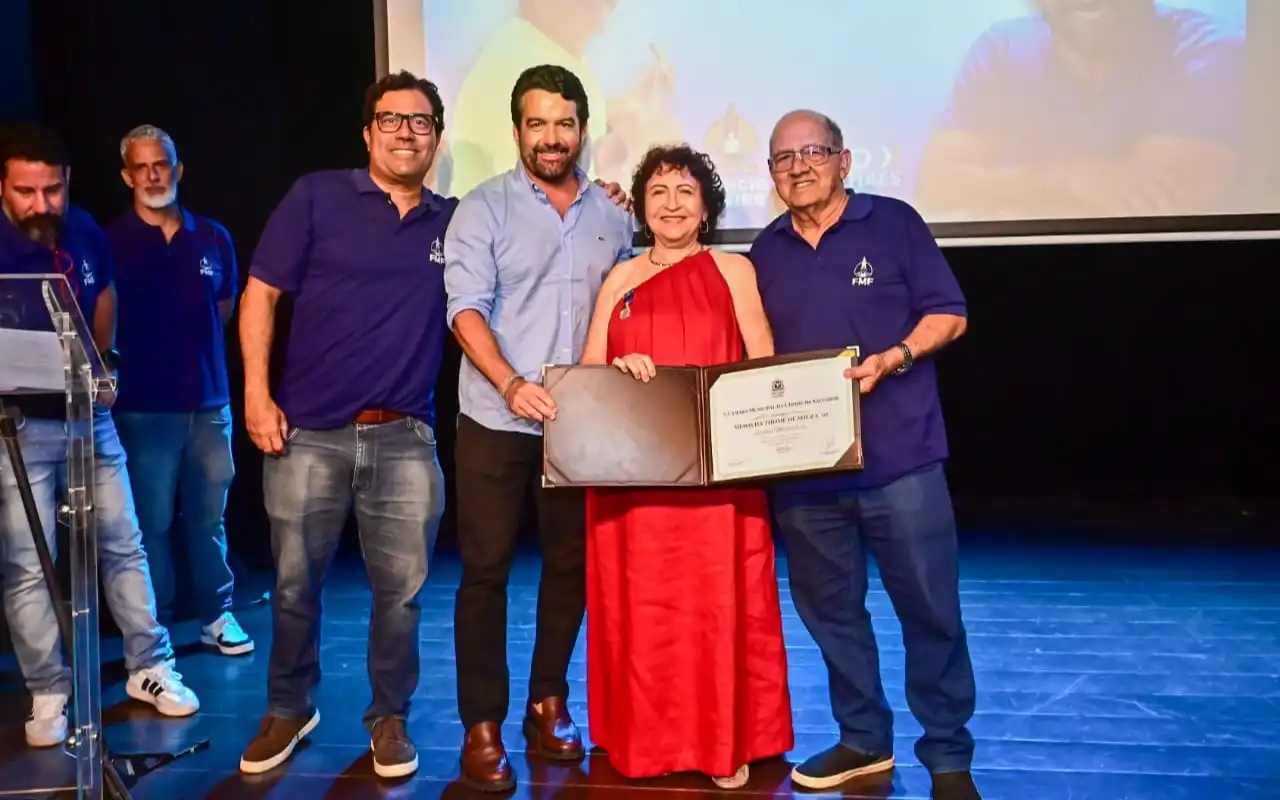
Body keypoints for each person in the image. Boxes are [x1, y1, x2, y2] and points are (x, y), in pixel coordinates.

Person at [750, 110, 980, 800]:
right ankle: (863, 739)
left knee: (931, 610)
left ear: (844, 161)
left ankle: (947, 757)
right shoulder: (763, 253)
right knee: (831, 615)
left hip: (901, 461)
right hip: (805, 474)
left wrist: (898, 355)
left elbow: (951, 312)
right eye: (783, 157)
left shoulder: (895, 223)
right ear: (770, 174)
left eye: (813, 152)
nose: (798, 166)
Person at [235, 71, 453, 780]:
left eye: (420, 122)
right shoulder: (317, 196)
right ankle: (290, 708)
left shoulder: (453, 221)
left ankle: (388, 718)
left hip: (405, 436)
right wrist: (256, 394)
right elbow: (261, 293)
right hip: (309, 434)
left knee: (403, 596)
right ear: (368, 133)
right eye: (391, 119)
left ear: (437, 138)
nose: (405, 132)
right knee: (296, 586)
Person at [443, 63, 634, 793]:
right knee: (485, 573)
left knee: (570, 568)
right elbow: (465, 309)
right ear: (517, 130)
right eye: (536, 123)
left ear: (582, 129)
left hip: (580, 422)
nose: (551, 137)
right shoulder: (483, 209)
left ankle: (546, 703)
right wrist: (511, 383)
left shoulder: (614, 214)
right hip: (495, 416)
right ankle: (481, 725)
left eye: (564, 122)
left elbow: (629, 305)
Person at [580, 144, 792, 789]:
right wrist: (620, 371)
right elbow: (587, 376)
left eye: (686, 191)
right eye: (659, 192)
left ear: (706, 206)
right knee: (640, 608)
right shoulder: (618, 278)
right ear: (642, 207)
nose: (672, 203)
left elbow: (763, 365)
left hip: (715, 477)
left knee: (715, 606)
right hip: (632, 478)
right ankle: (643, 741)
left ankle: (724, 743)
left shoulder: (733, 270)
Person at [0, 124, 200, 748]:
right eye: (26, 192)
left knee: (124, 541)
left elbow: (104, 291)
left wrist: (106, 360)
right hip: (18, 426)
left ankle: (149, 665)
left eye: (51, 190)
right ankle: (49, 690)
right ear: (2, 187)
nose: (41, 205)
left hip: (89, 415)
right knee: (30, 565)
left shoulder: (83, 229)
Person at [106, 125, 251, 655]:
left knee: (209, 518)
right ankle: (157, 627)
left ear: (177, 168)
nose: (152, 175)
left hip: (210, 405)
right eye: (141, 167)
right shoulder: (112, 241)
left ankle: (217, 615)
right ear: (127, 176)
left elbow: (224, 311)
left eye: (161, 164)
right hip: (145, 411)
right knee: (152, 525)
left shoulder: (212, 236)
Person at [915, 0, 1244, 220]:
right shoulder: (1003, 48)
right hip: (1021, 282)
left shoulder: (1206, 49)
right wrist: (1066, 176)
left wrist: (1003, 195)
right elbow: (937, 189)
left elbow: (1150, 206)